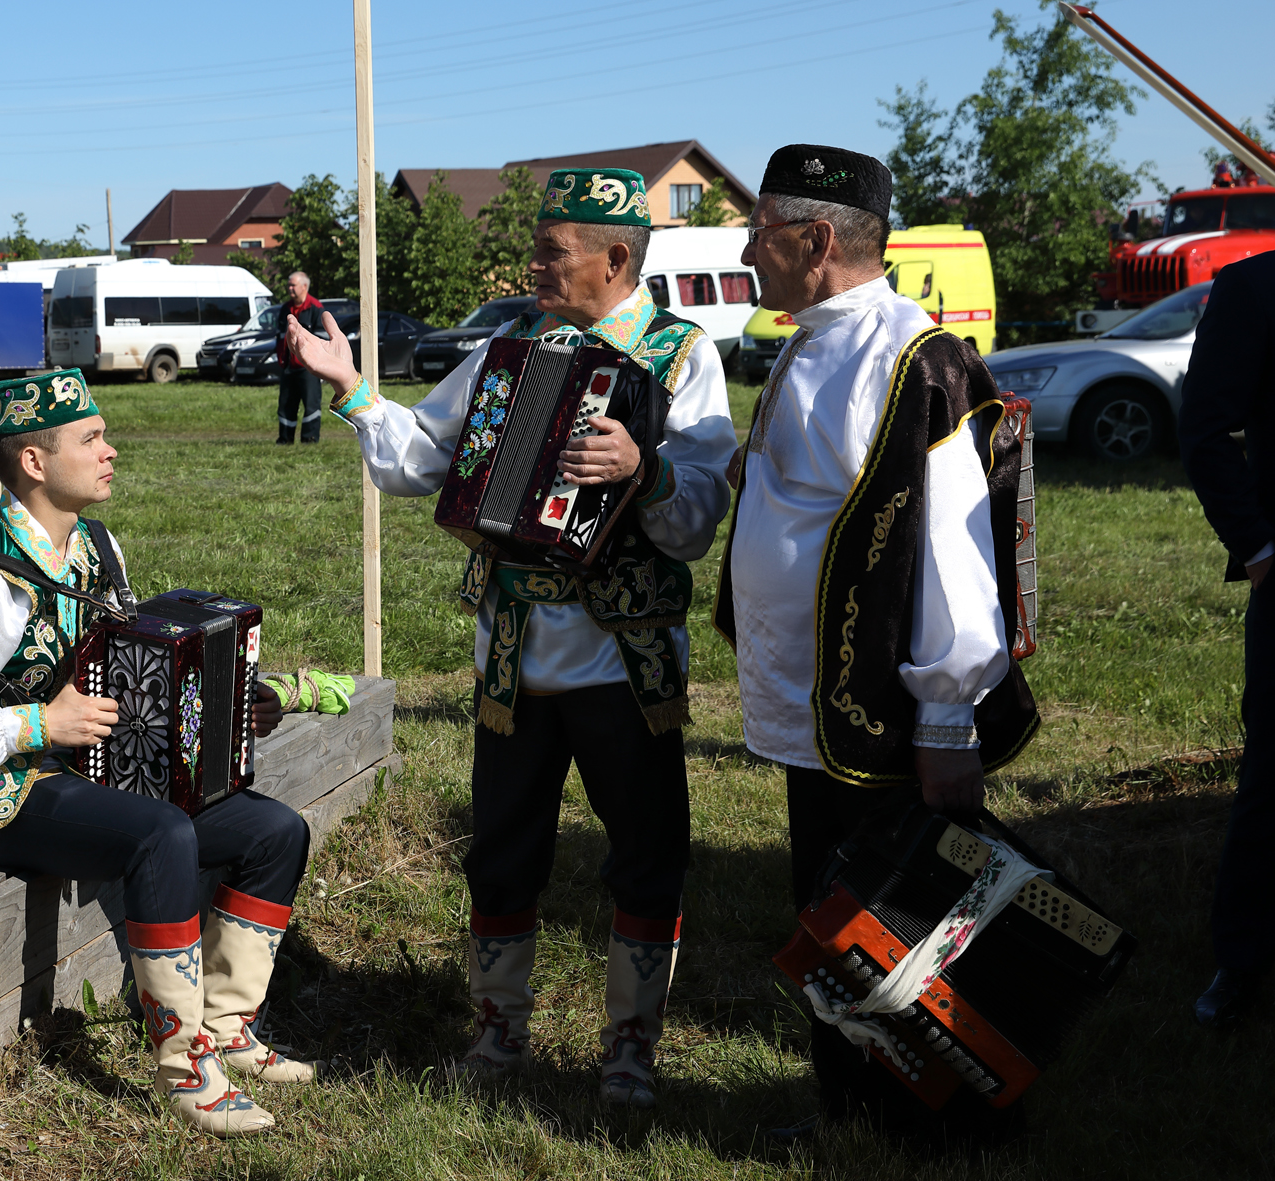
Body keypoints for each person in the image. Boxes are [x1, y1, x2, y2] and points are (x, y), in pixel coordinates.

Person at [287, 167, 736, 1108]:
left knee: (647, 853)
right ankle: (497, 1030)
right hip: (515, 654)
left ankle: (629, 1045)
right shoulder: (513, 347)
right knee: (501, 846)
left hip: (626, 661)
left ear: (617, 257)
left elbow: (698, 517)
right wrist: (349, 386)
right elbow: (420, 457)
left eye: (551, 252)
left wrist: (642, 470)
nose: (532, 265)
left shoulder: (678, 355)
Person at [0, 369, 315, 1137]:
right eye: (91, 439)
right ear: (34, 462)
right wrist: (33, 726)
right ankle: (186, 1065)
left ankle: (225, 1025)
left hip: (86, 763)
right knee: (163, 834)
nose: (111, 451)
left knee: (274, 829)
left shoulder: (95, 545)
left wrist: (218, 715)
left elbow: (128, 663)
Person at [716, 145, 1037, 1138]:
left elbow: (953, 544)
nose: (743, 246)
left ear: (813, 239)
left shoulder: (914, 356)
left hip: (884, 708)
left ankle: (927, 1116)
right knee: (828, 904)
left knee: (895, 919)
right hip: (815, 701)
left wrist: (945, 711)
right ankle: (850, 1105)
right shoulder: (806, 338)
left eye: (760, 228)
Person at [1177, 250, 1275, 1029]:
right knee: (1272, 780)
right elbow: (1205, 428)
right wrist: (1260, 550)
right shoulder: (1253, 286)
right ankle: (1241, 962)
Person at [274, 271, 323, 445]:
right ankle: (285, 438)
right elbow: (280, 337)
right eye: (288, 285)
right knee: (286, 404)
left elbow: (322, 340)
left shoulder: (316, 308)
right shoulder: (285, 309)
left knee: (311, 404)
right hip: (288, 367)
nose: (290, 288)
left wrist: (319, 365)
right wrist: (281, 360)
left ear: (304, 286)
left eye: (293, 285)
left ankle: (309, 439)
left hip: (308, 368)